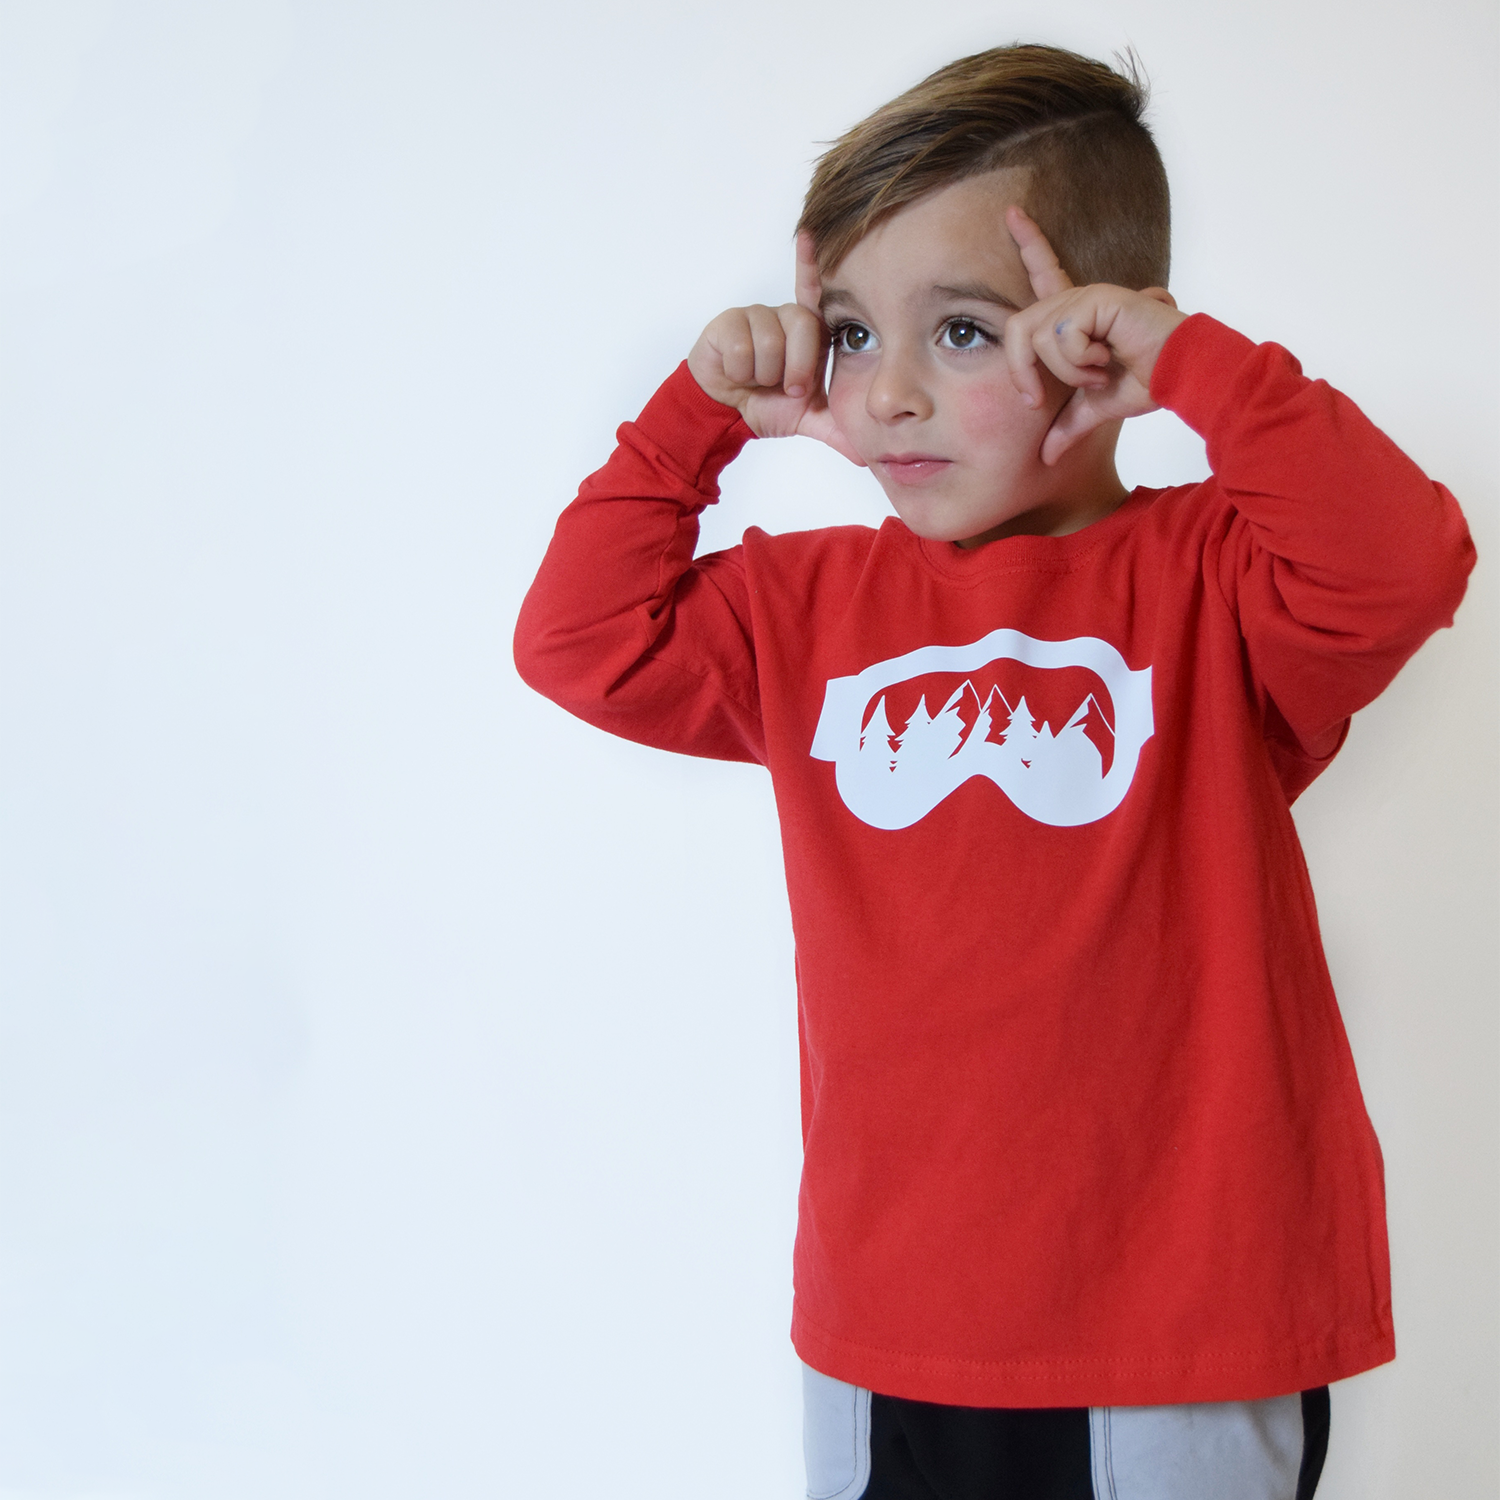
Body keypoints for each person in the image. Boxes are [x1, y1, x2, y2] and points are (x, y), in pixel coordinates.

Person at [512, 43, 1474, 1500]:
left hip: (1178, 1331)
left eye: (960, 333)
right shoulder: (803, 608)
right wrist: (696, 415)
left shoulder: (1214, 581)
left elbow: (1405, 564)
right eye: (847, 333)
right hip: (882, 1323)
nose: (887, 392)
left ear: (1096, 333)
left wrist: (1193, 364)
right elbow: (578, 640)